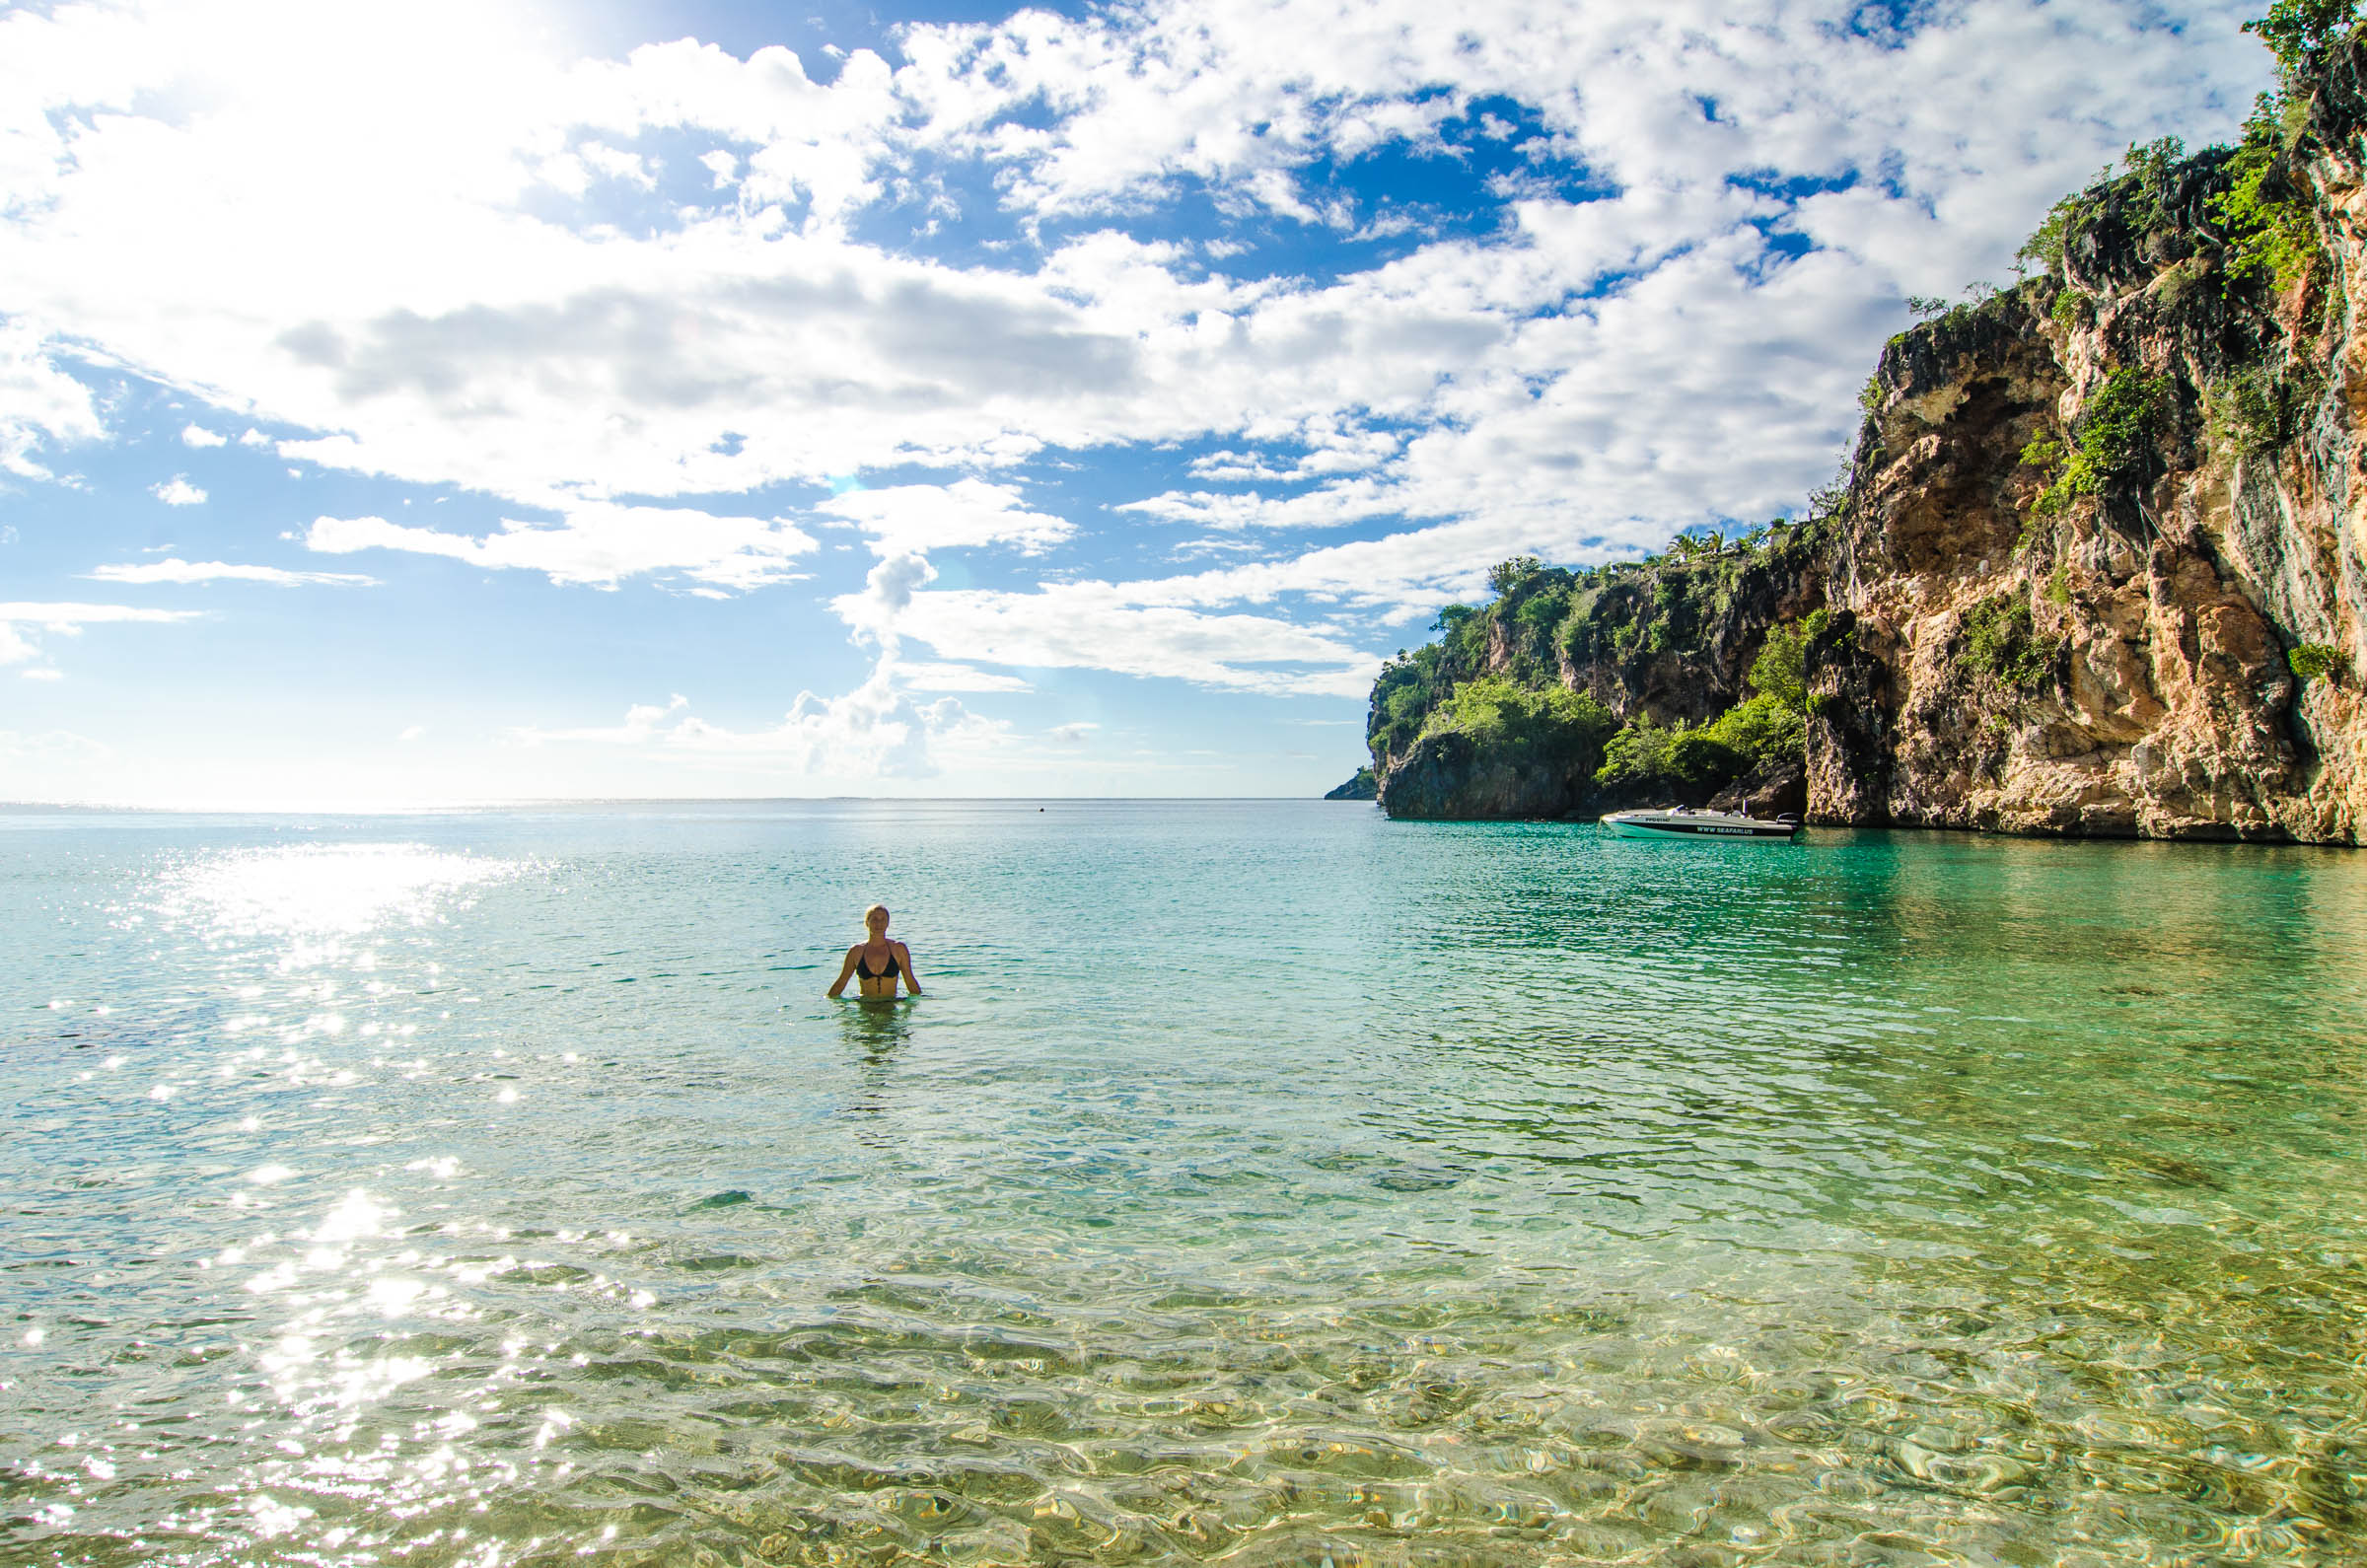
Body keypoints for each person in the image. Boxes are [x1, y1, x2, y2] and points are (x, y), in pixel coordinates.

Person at [826, 903, 922, 1000]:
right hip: (865, 1008)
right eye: (874, 919)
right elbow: (841, 982)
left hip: (890, 1006)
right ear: (867, 922)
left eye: (883, 919)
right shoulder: (856, 951)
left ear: (888, 923)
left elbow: (910, 982)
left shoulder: (899, 949)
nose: (879, 924)